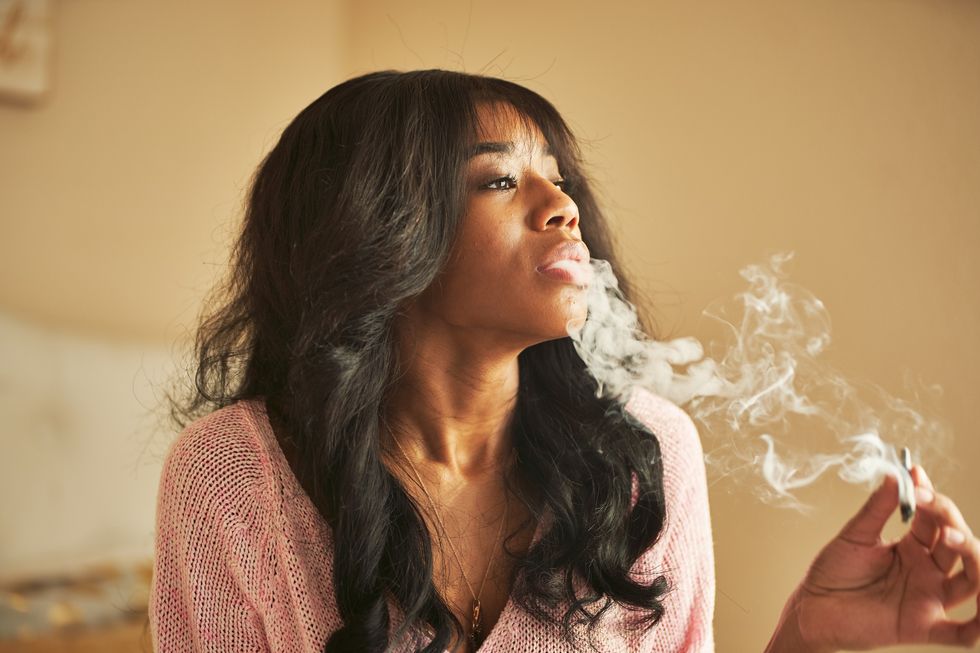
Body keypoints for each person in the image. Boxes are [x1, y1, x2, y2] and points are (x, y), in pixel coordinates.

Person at [150, 69, 980, 653]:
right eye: (501, 182)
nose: (563, 207)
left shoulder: (645, 455)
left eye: (558, 176)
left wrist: (809, 632)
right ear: (378, 233)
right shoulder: (235, 476)